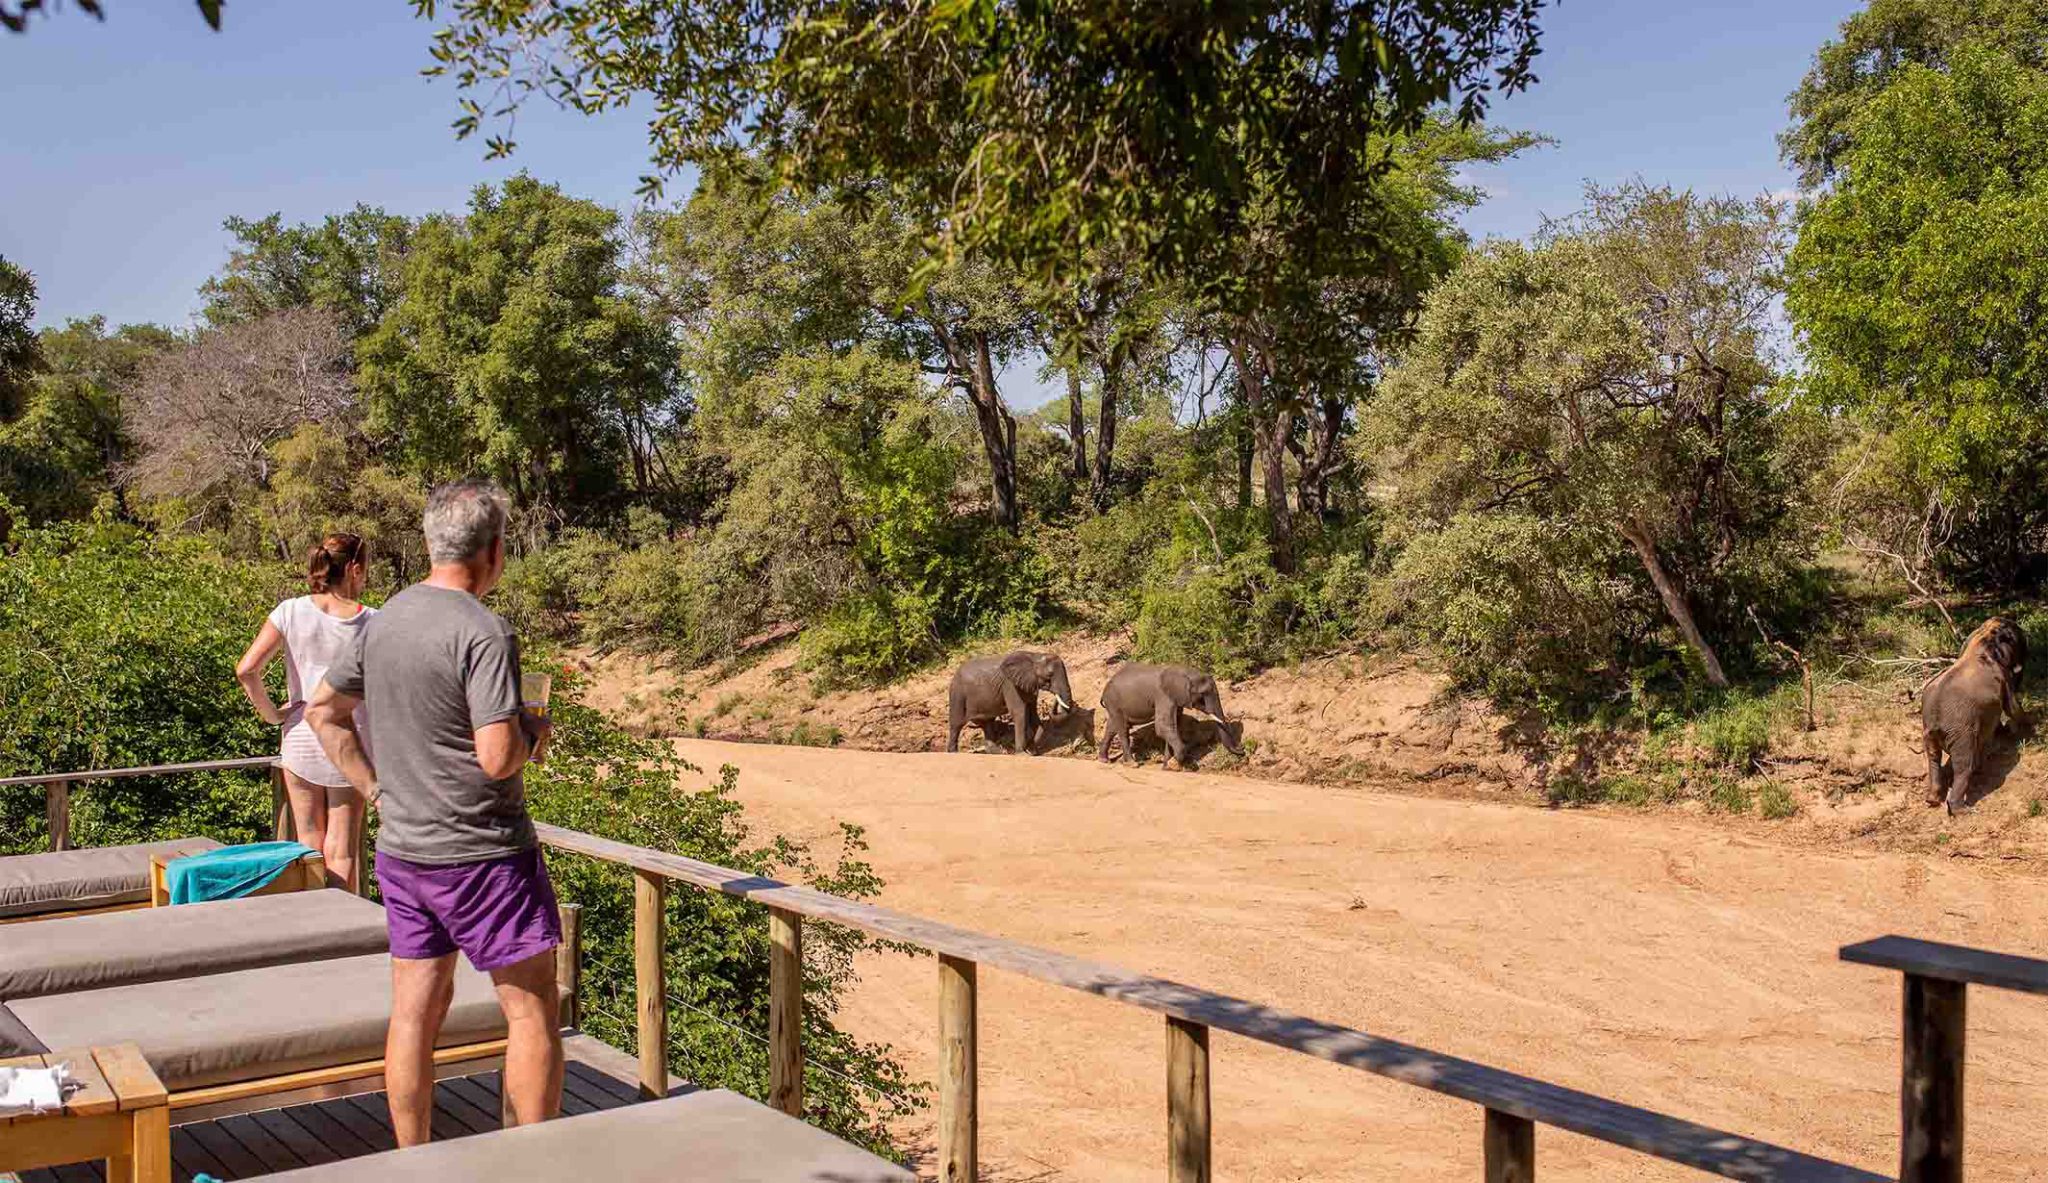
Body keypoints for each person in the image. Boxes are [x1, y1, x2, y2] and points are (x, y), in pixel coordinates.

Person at [305, 480, 560, 1144]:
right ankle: (533, 1164)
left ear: (429, 544)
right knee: (532, 1012)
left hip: (404, 852)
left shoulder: (383, 621)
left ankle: (410, 1159)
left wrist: (372, 787)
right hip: (486, 856)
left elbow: (321, 711)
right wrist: (535, 729)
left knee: (414, 1013)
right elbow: (499, 756)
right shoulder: (484, 630)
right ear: (494, 553)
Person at [236, 532, 376, 892]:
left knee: (308, 842)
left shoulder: (290, 611)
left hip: (300, 734)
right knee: (342, 847)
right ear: (355, 570)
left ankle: (313, 929)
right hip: (350, 740)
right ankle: (344, 935)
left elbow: (246, 669)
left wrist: (273, 715)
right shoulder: (372, 621)